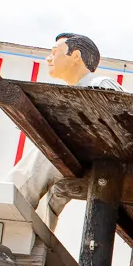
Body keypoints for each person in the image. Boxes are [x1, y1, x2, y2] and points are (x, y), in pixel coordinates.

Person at [8, 33, 123, 217]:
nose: (48, 58)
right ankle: (38, 241)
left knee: (50, 147)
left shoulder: (100, 84)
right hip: (80, 159)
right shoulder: (73, 93)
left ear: (75, 56)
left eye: (55, 52)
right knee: (55, 192)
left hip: (98, 156)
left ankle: (8, 204)